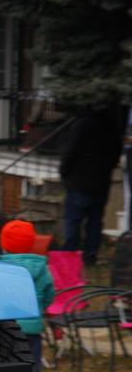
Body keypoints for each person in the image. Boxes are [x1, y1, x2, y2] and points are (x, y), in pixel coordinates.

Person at [58, 105, 128, 266]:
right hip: (101, 183)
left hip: (78, 182)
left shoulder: (82, 124)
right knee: (95, 223)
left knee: (73, 222)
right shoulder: (111, 126)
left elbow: (71, 151)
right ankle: (90, 255)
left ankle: (70, 256)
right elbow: (115, 153)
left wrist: (64, 172)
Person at [0, 220, 54, 372]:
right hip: (32, 329)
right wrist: (39, 308)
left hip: (6, 327)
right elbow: (49, 295)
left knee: (6, 370)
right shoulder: (42, 268)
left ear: (4, 243)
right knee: (32, 370)